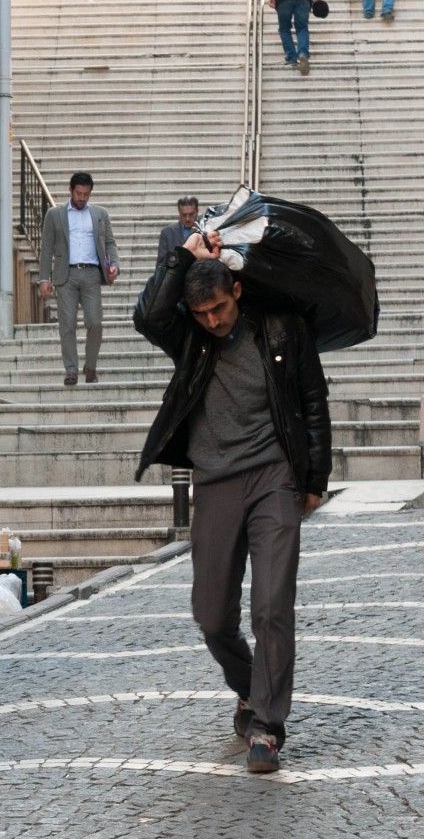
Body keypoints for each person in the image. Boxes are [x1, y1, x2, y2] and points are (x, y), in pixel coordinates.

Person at [133, 233, 330, 777]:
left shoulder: (281, 328)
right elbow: (148, 315)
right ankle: (249, 687)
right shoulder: (190, 338)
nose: (213, 321)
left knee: (271, 604)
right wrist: (184, 255)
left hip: (274, 476)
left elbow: (313, 401)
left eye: (219, 307)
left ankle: (267, 723)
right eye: (202, 313)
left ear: (236, 291)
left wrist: (315, 475)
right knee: (211, 614)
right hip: (215, 481)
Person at [39, 172, 120, 387]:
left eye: (86, 194)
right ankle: (71, 370)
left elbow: (110, 243)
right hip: (66, 275)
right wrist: (43, 279)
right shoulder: (54, 215)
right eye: (79, 193)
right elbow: (46, 248)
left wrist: (114, 265)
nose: (82, 198)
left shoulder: (100, 214)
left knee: (95, 322)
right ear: (71, 191)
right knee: (67, 325)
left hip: (92, 274)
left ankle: (90, 366)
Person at [157, 196, 200, 264]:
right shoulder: (167, 232)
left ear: (197, 211)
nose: (187, 219)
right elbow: (161, 262)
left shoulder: (206, 230)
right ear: (179, 213)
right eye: (184, 215)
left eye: (191, 214)